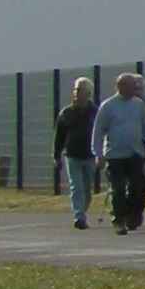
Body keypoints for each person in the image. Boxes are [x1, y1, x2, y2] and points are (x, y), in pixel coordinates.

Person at [95, 72, 145, 233]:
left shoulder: (139, 105)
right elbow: (98, 131)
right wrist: (98, 154)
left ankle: (131, 215)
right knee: (118, 188)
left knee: (137, 186)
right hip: (114, 155)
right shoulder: (108, 106)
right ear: (120, 87)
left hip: (135, 153)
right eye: (132, 86)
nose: (135, 89)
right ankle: (118, 220)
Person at [55, 77, 98, 229]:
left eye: (80, 90)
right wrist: (56, 155)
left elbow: (102, 131)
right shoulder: (66, 113)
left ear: (88, 93)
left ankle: (82, 211)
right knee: (76, 187)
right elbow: (59, 136)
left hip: (90, 155)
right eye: (75, 89)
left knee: (87, 190)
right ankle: (79, 216)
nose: (76, 93)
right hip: (72, 155)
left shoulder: (96, 112)